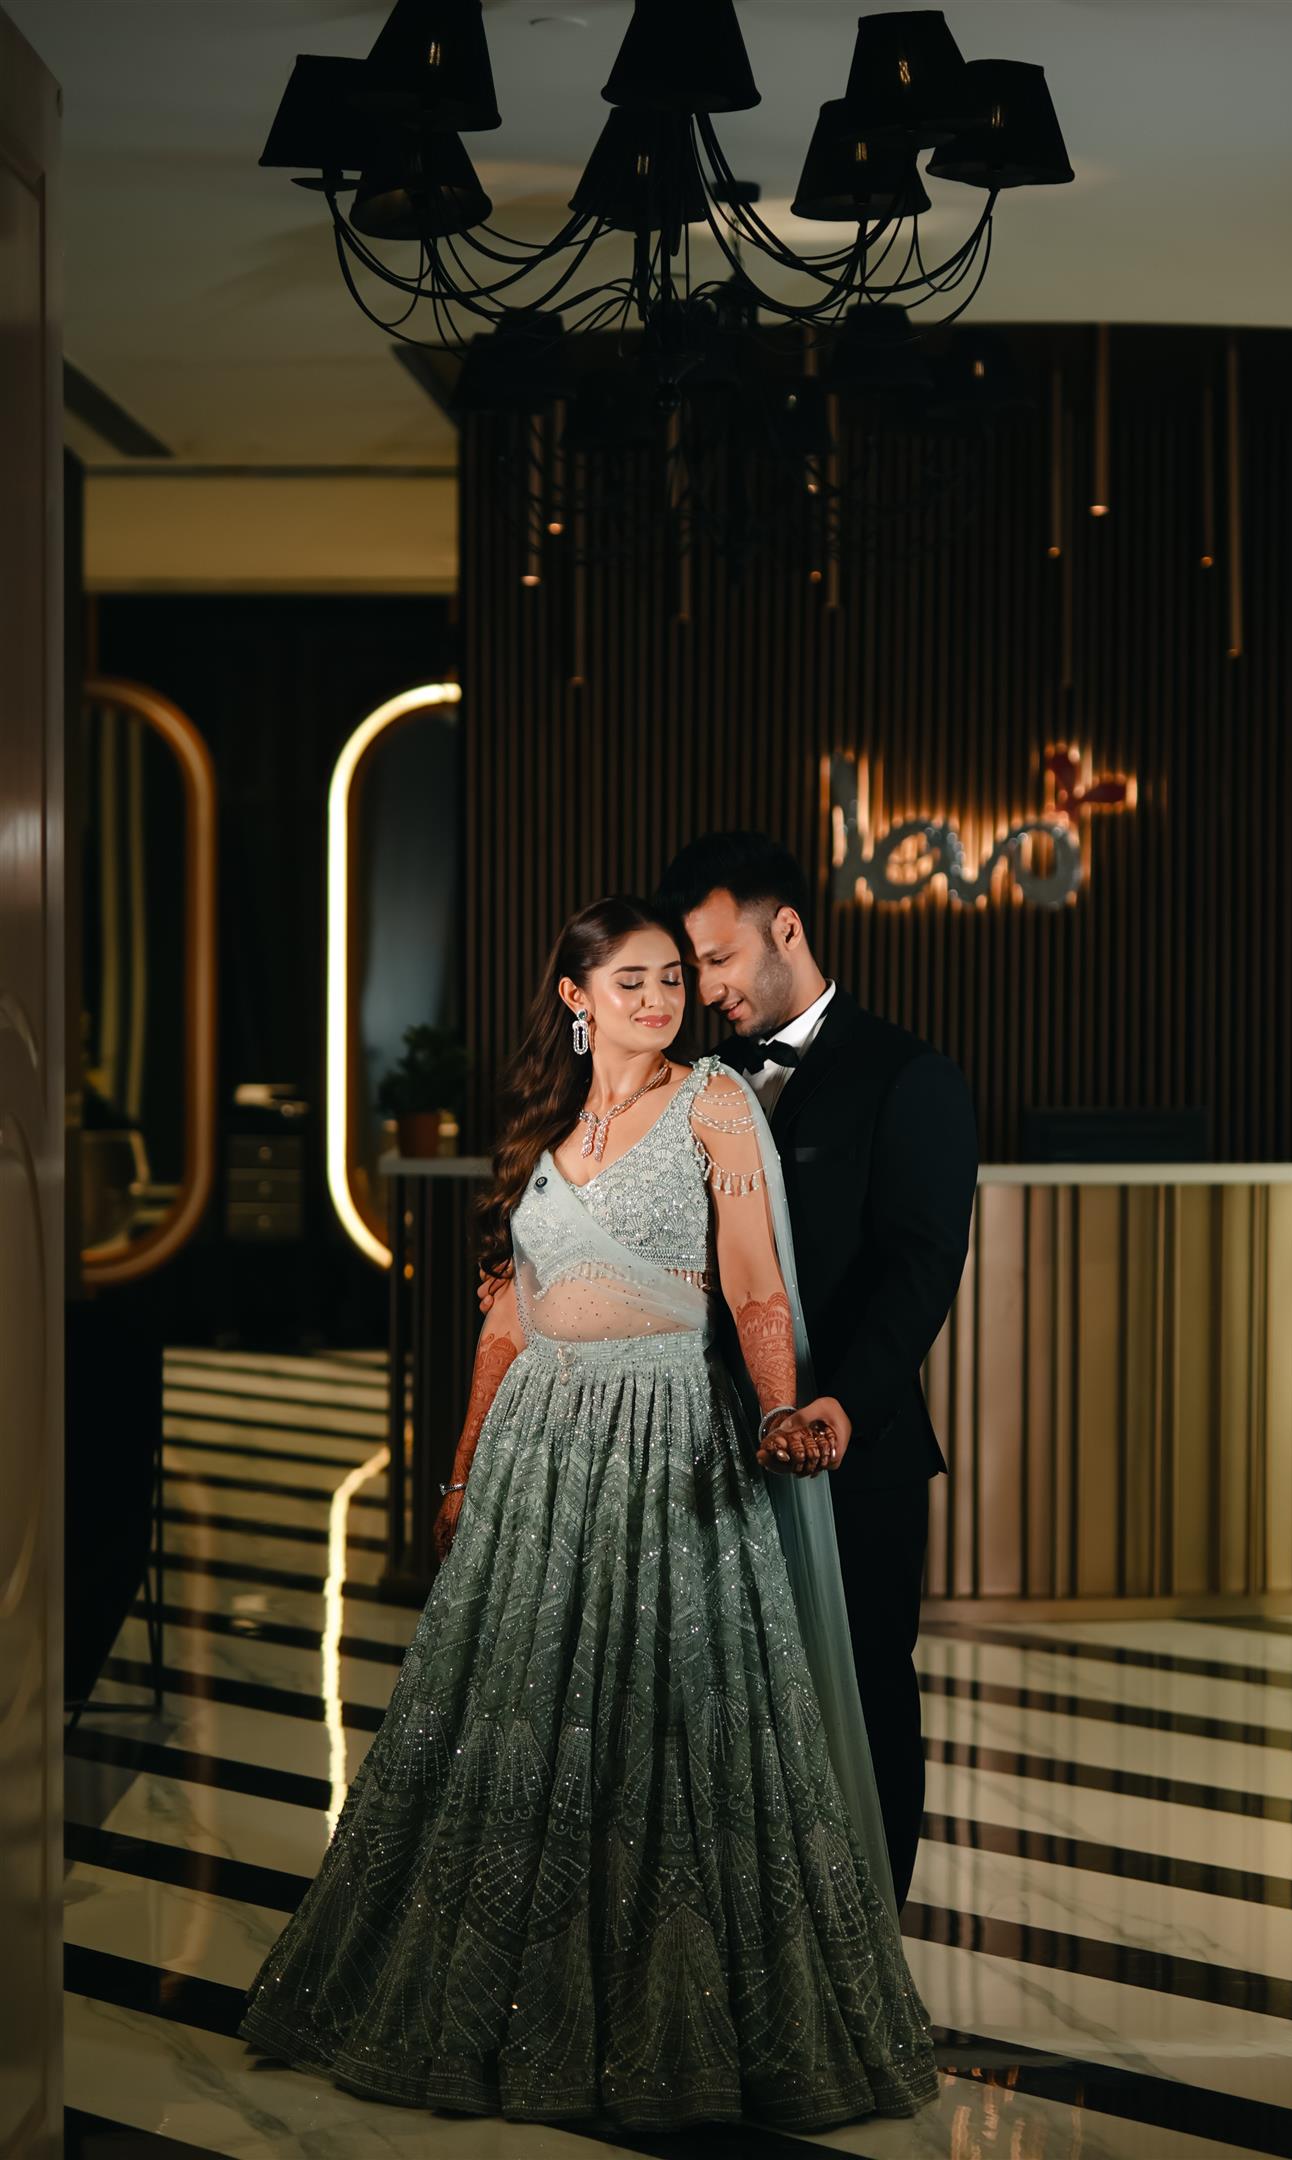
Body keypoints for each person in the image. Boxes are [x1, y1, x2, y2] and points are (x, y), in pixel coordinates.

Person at [239, 896, 938, 2134]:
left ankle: (673, 2024)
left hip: (668, 1439)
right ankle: (500, 2011)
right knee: (515, 1726)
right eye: (632, 981)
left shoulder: (715, 1102)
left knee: (675, 1732)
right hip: (537, 1453)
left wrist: (780, 1406)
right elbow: (506, 1319)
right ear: (575, 997)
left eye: (672, 978)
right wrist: (461, 1471)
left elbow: (754, 1282)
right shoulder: (542, 1131)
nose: (661, 1000)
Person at [654, 833, 979, 1912]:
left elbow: (921, 1268)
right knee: (731, 1702)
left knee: (867, 1694)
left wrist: (844, 1401)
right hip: (716, 1451)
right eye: (692, 967)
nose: (706, 990)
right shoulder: (697, 1086)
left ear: (785, 929)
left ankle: (873, 1943)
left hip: (859, 1449)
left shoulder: (910, 1075)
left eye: (718, 959)